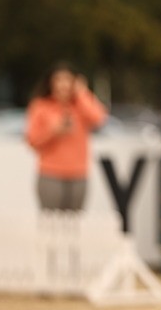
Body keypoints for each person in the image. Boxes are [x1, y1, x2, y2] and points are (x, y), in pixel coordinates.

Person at [25, 63, 107, 211]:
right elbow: (32, 140)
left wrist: (82, 93)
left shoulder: (80, 105)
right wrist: (53, 131)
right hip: (50, 173)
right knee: (51, 220)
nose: (63, 85)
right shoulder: (41, 106)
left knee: (75, 221)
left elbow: (99, 119)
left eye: (67, 79)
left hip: (78, 174)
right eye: (58, 80)